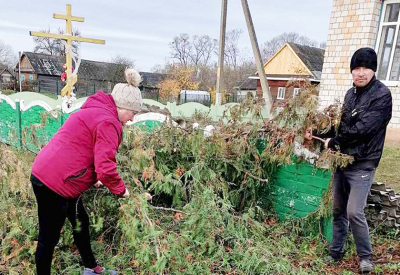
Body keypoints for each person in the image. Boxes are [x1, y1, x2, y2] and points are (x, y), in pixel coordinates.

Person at [30, 68, 143, 275]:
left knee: (80, 221)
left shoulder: (96, 110)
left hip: (53, 174)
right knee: (49, 237)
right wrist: (121, 190)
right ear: (123, 107)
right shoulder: (109, 121)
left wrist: (94, 178)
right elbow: (106, 166)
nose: (132, 119)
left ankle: (91, 266)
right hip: (54, 183)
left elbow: (83, 148)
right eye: (133, 113)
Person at [306, 47, 392, 274]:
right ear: (352, 71)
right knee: (338, 210)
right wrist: (319, 133)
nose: (360, 73)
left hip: (363, 162)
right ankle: (336, 250)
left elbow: (364, 129)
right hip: (343, 161)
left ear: (373, 70)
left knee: (354, 211)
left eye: (365, 68)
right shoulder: (350, 94)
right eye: (356, 68)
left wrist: (334, 142)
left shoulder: (382, 96)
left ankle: (366, 258)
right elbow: (343, 127)